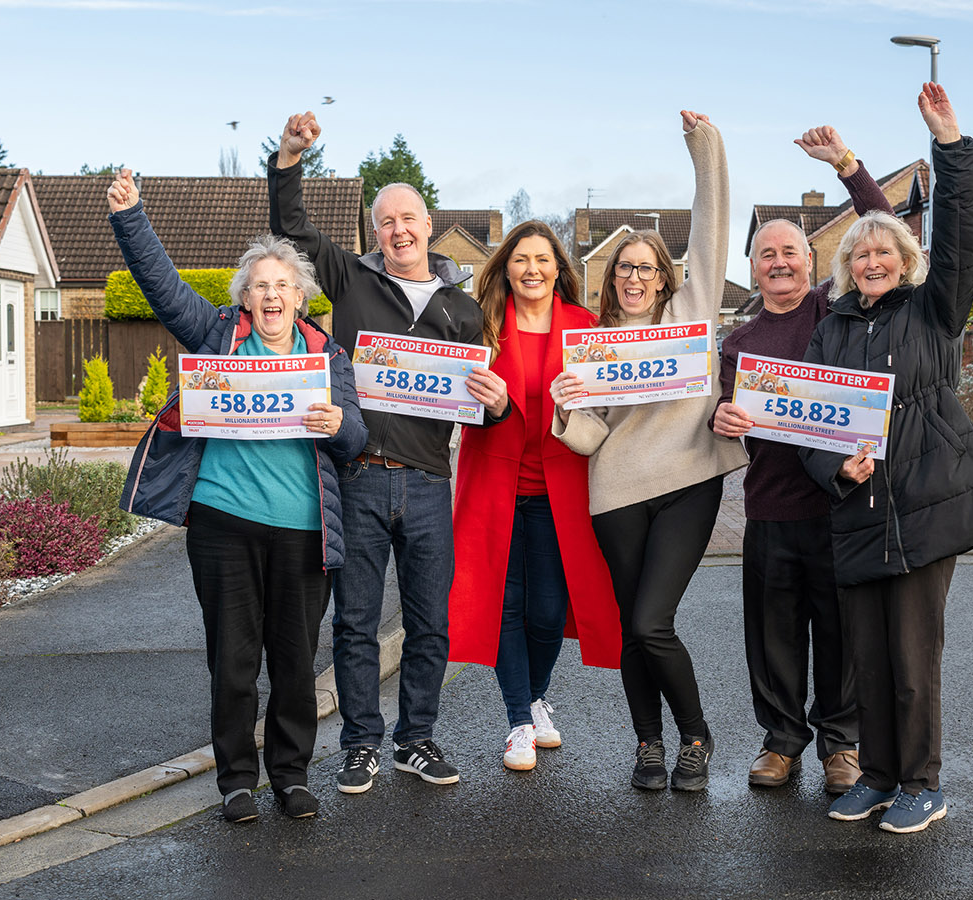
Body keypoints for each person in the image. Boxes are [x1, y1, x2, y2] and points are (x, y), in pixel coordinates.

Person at [108, 169, 368, 822]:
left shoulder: (327, 356)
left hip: (306, 531)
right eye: (260, 284)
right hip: (224, 523)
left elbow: (358, 435)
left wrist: (340, 425)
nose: (272, 294)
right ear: (244, 297)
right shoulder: (217, 337)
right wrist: (132, 216)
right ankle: (235, 780)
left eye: (284, 284)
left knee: (294, 663)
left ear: (301, 297)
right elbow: (163, 290)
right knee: (233, 660)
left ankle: (291, 775)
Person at [798, 84, 973, 833]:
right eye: (859, 254)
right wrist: (834, 470)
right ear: (845, 268)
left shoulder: (932, 311)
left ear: (904, 260)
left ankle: (923, 781)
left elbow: (961, 235)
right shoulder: (830, 332)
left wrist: (953, 148)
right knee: (867, 654)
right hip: (856, 507)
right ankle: (880, 775)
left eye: (883, 251)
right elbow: (811, 425)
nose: (871, 260)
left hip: (924, 504)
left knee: (911, 654)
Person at [268, 112, 509, 794]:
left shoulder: (463, 310)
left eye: (408, 218)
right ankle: (361, 745)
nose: (398, 230)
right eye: (385, 221)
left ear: (428, 224)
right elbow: (292, 230)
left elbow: (480, 412)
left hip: (431, 483)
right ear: (374, 232)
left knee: (432, 623)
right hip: (360, 480)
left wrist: (497, 406)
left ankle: (417, 740)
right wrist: (288, 160)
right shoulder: (348, 281)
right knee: (355, 625)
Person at [551, 111, 748, 792]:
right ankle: (648, 744)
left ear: (666, 278)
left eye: (645, 268)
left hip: (690, 482)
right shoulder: (597, 345)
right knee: (632, 630)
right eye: (622, 269)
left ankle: (695, 735)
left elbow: (712, 227)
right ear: (611, 282)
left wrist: (705, 148)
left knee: (650, 619)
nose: (633, 277)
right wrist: (567, 406)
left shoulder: (691, 315)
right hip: (616, 493)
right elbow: (591, 436)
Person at [711, 125, 892, 794]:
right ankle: (781, 742)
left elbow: (883, 232)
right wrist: (720, 416)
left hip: (840, 504)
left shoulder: (833, 310)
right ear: (753, 268)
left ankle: (839, 746)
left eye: (789, 251)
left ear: (811, 262)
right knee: (774, 635)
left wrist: (847, 164)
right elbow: (721, 413)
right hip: (771, 510)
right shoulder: (739, 340)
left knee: (841, 634)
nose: (779, 262)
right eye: (766, 255)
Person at [449, 222, 620, 771]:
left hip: (561, 488)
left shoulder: (586, 327)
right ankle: (519, 720)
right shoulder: (481, 328)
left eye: (542, 259)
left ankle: (534, 695)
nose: (532, 270)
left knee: (549, 613)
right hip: (495, 485)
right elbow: (450, 399)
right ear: (506, 267)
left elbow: (609, 407)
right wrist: (486, 402)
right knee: (506, 605)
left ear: (557, 268)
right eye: (521, 259)